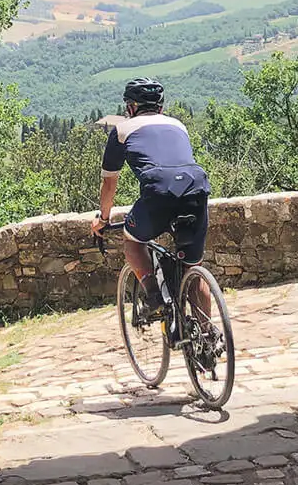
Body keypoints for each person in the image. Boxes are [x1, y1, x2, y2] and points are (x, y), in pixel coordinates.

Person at [89, 78, 211, 338]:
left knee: (132, 240)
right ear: (160, 107)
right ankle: (208, 337)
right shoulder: (179, 125)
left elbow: (110, 183)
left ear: (130, 107)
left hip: (158, 193)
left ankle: (154, 296)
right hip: (196, 189)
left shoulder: (122, 131)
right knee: (194, 267)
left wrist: (103, 219)